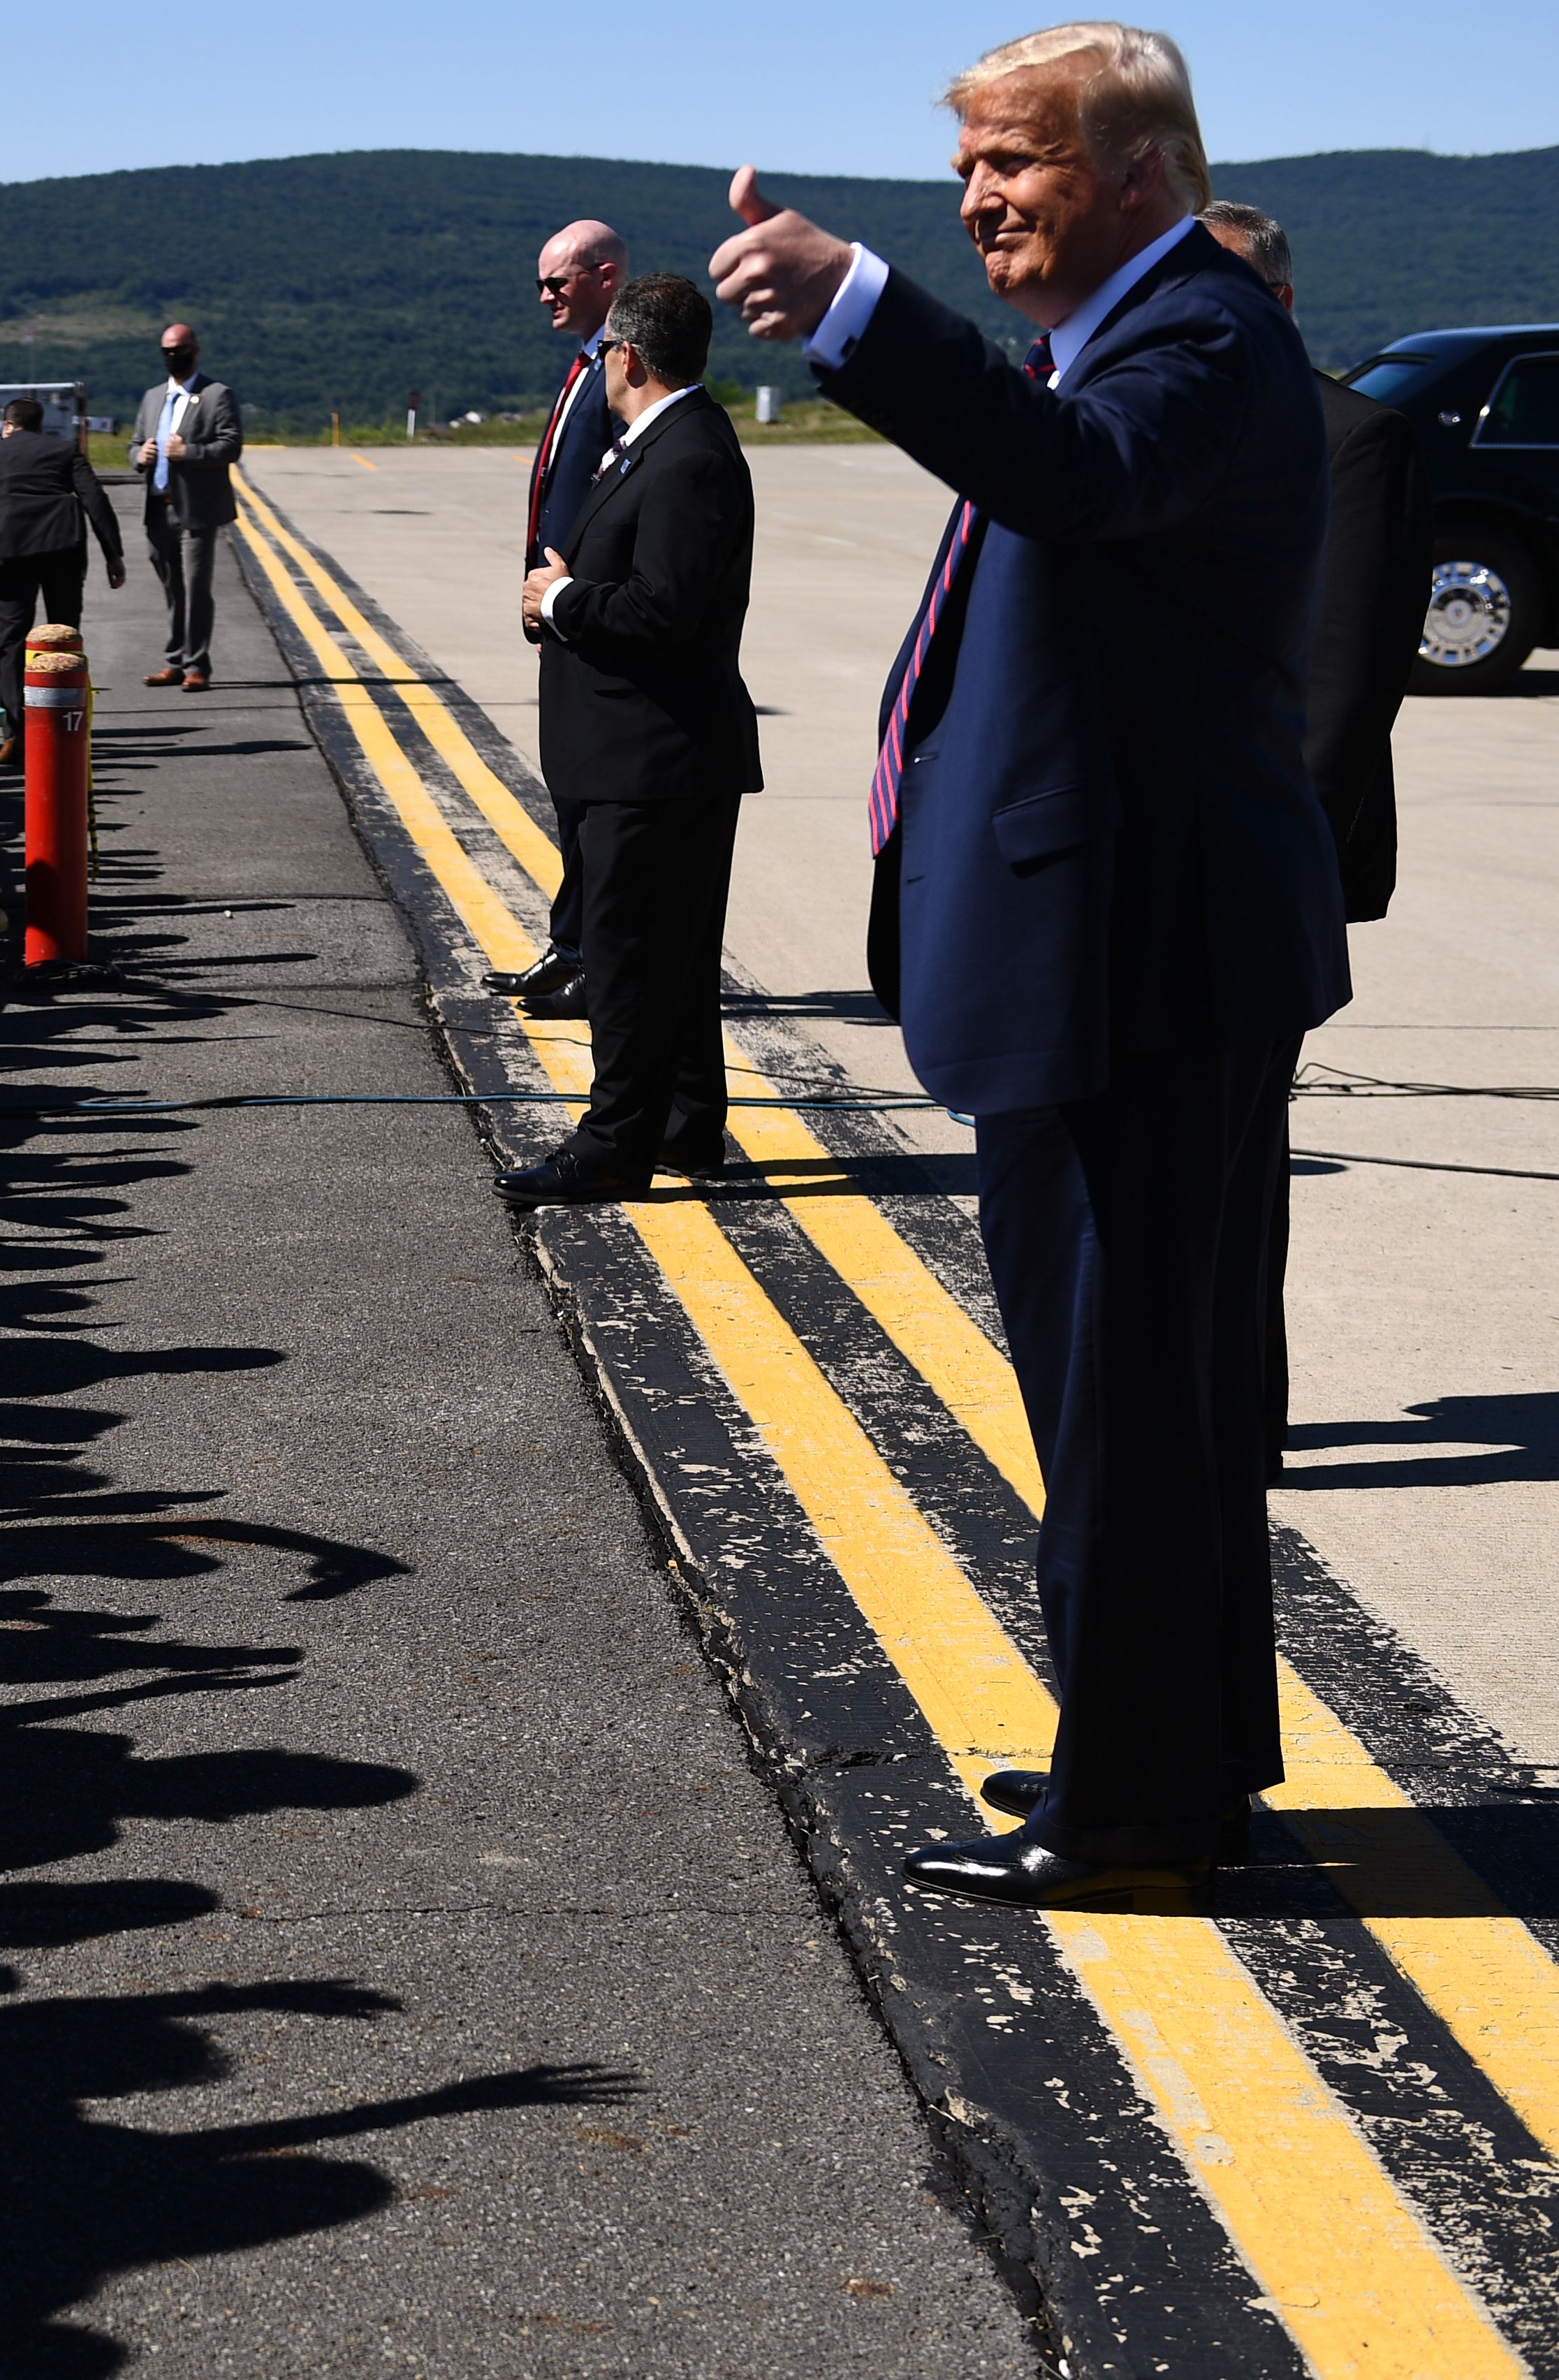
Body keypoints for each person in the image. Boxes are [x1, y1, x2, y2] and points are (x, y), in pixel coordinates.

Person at [715, 20, 1345, 1909]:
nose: (982, 198)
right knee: (1140, 1391)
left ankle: (1136, 1805)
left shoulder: (1193, 344)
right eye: (967, 172)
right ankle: (1163, 1745)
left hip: (1138, 963)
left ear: (1135, 173)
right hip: (1123, 950)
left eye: (1019, 164)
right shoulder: (1128, 337)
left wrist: (856, 309)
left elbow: (1063, 478)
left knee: (1127, 1400)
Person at [1196, 198, 1430, 1461]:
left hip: (1263, 865)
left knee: (1235, 1158)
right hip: (1159, 861)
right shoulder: (1165, 426)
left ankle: (1239, 1415)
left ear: (1277, 303)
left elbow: (1343, 694)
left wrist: (1256, 871)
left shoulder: (1358, 439)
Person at [497, 275, 759, 1206]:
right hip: (645, 751)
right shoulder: (657, 445)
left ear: (628, 357)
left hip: (651, 757)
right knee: (675, 958)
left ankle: (613, 1144)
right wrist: (573, 579)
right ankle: (686, 1122)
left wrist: (561, 597)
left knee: (627, 959)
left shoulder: (685, 453)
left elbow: (668, 608)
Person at [490, 218, 631, 1014]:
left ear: (605, 276)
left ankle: (591, 955)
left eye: (557, 281)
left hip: (584, 608)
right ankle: (571, 941)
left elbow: (616, 493)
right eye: (541, 282)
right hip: (558, 608)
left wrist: (570, 585)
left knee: (586, 796)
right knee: (568, 793)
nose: (543, 295)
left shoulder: (619, 366)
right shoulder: (584, 362)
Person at [0, 394, 124, 760]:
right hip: (62, 547)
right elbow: (96, 499)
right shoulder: (64, 453)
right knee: (62, 637)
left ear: (7, 425)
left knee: (11, 645)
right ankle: (64, 725)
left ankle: (15, 736)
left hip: (8, 552)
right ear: (40, 426)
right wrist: (114, 554)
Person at [129, 321, 241, 689]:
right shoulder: (152, 397)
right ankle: (175, 660)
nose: (172, 357)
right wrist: (139, 455)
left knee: (195, 588)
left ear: (195, 351)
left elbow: (231, 446)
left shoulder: (216, 395)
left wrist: (188, 453)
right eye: (166, 351)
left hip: (196, 510)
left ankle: (197, 666)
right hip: (158, 508)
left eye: (179, 350)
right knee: (172, 588)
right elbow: (133, 443)